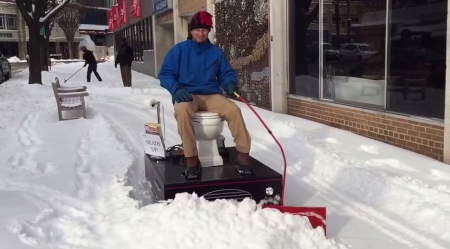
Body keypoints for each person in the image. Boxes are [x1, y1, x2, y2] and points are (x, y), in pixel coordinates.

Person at [158, 10, 253, 180]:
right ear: (191, 31)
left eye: (204, 30)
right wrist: (176, 89)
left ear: (208, 31)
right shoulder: (179, 50)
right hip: (188, 94)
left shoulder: (215, 52)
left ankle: (243, 158)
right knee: (182, 110)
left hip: (211, 95)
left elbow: (225, 73)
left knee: (233, 110)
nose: (200, 33)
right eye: (197, 30)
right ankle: (192, 161)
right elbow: (165, 73)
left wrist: (229, 83)